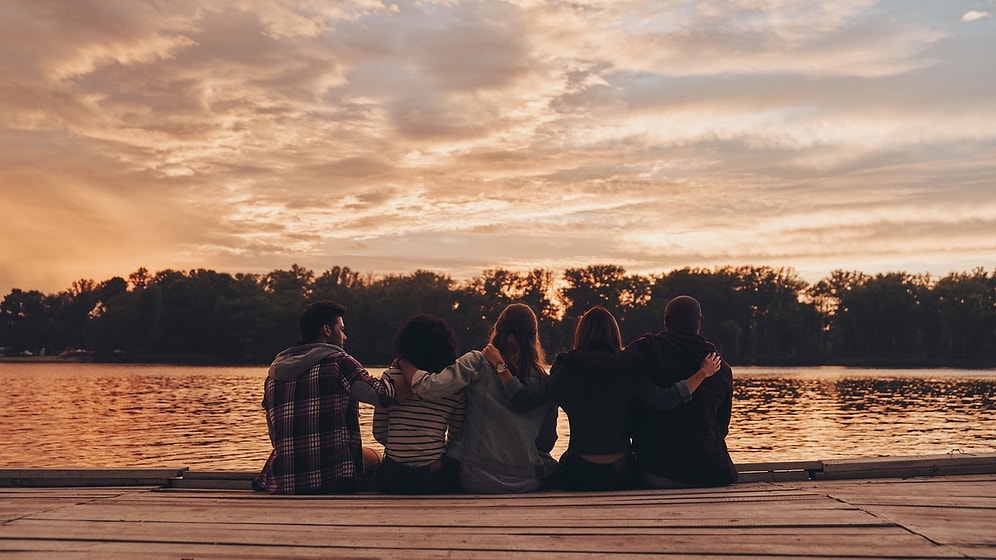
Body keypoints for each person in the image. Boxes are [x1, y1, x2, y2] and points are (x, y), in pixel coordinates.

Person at [557, 295, 737, 488]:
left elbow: (610, 362)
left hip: (657, 472)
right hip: (711, 475)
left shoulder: (648, 351)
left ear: (665, 321)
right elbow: (722, 428)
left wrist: (569, 358)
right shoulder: (721, 369)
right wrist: (702, 373)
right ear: (701, 322)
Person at [400, 303, 559, 493]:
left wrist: (404, 363)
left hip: (476, 479)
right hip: (526, 482)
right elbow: (546, 442)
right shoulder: (544, 381)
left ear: (497, 330)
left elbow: (428, 387)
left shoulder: (477, 362)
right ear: (534, 338)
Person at [253, 301, 407, 494]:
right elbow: (383, 394)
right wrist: (405, 368)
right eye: (341, 330)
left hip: (284, 481)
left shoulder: (273, 376)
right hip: (332, 480)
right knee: (374, 457)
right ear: (326, 330)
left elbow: (274, 436)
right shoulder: (338, 362)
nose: (345, 336)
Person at [373, 314, 464, 494]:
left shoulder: (390, 376)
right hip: (433, 478)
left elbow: (379, 432)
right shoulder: (454, 385)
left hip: (393, 477)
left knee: (374, 462)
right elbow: (456, 437)